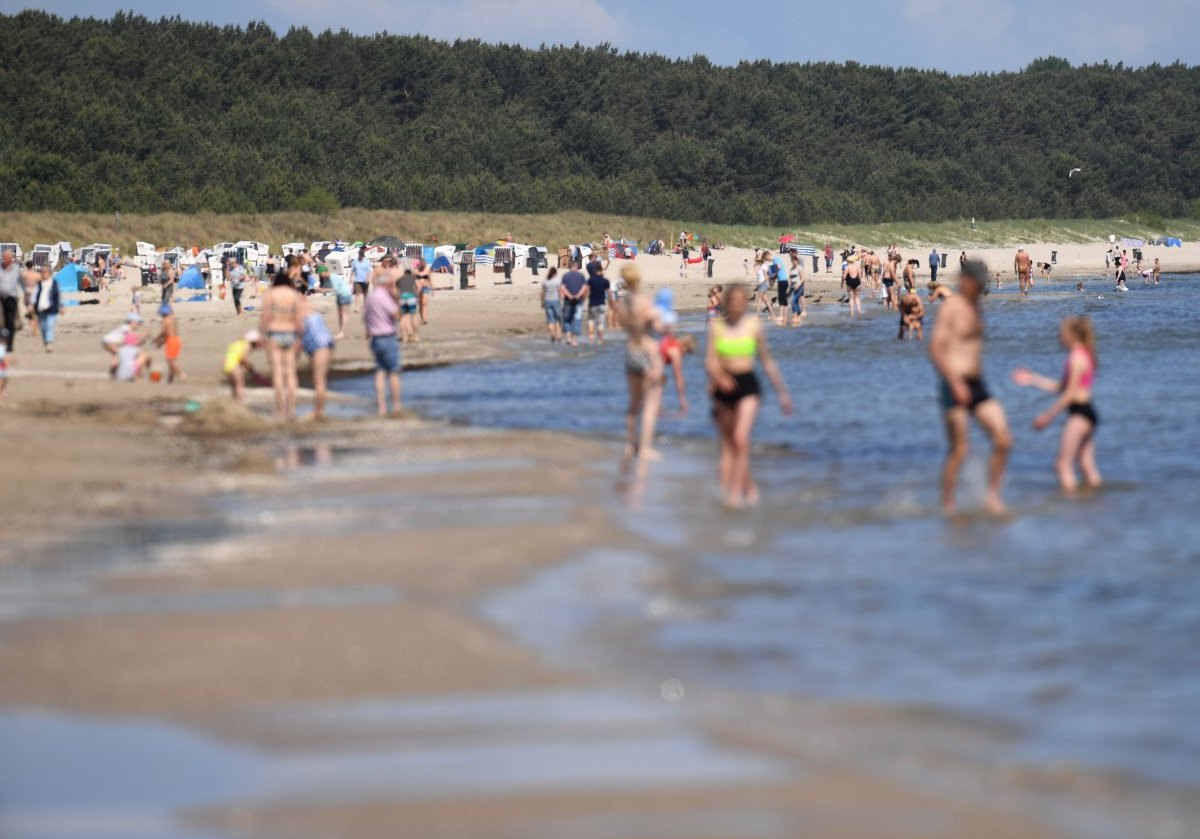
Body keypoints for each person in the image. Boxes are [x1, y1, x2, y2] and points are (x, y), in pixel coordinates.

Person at [928, 260, 1012, 515]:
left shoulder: (976, 305)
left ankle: (992, 498)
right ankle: (948, 505)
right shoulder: (951, 306)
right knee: (960, 450)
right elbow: (935, 348)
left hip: (977, 384)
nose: (981, 287)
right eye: (977, 282)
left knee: (1003, 440)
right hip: (954, 383)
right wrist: (954, 382)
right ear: (965, 280)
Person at [707, 285, 792, 507]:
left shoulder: (753, 326)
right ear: (727, 302)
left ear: (745, 302)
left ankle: (735, 495)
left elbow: (766, 360)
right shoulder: (717, 326)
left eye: (741, 300)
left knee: (740, 439)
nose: (737, 303)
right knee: (729, 443)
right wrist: (718, 377)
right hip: (723, 386)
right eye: (733, 300)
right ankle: (745, 487)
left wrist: (782, 393)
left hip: (747, 385)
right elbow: (710, 360)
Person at [1012, 316, 1102, 493]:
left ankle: (1072, 510)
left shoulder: (1076, 357)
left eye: (1062, 333)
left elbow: (1070, 394)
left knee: (1062, 465)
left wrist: (1047, 416)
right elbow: (1062, 388)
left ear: (1072, 335)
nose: (1059, 337)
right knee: (1086, 466)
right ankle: (1096, 506)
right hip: (1088, 413)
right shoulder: (1084, 354)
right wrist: (1033, 379)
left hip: (1080, 414)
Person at [618, 266, 665, 464]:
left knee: (634, 402)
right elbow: (658, 327)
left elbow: (624, 325)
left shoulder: (623, 304)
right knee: (650, 404)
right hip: (648, 351)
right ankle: (645, 448)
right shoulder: (644, 301)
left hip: (631, 351)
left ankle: (630, 446)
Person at [259, 270, 305, 418]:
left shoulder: (270, 294)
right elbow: (299, 319)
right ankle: (291, 410)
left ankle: (280, 409)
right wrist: (300, 337)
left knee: (278, 372)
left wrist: (261, 334)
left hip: (274, 332)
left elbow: (266, 316)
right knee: (291, 373)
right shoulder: (295, 295)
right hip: (290, 333)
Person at [364, 266, 402, 416]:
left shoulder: (371, 297)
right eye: (392, 284)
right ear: (387, 284)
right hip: (387, 336)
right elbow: (394, 314)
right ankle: (397, 406)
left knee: (379, 371)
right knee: (393, 372)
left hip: (375, 338)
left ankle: (381, 407)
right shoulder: (383, 296)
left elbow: (366, 317)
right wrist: (395, 298)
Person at [301, 309, 335, 420]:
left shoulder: (301, 314)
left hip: (320, 345)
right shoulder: (309, 311)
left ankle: (318, 412)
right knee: (319, 379)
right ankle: (319, 410)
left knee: (319, 380)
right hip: (324, 343)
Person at [224, 330, 264, 403]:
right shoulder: (247, 345)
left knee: (234, 385)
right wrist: (249, 366)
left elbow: (236, 356)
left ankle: (234, 401)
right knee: (240, 384)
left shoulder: (239, 343)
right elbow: (243, 358)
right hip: (233, 366)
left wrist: (244, 367)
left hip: (226, 365)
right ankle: (240, 401)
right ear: (254, 340)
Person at [31, 266, 61, 353]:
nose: (45, 274)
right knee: (43, 328)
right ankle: (46, 342)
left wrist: (61, 306)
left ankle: (49, 344)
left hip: (52, 309)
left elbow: (58, 295)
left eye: (46, 272)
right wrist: (31, 306)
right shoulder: (39, 284)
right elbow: (34, 296)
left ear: (50, 273)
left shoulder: (54, 283)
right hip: (41, 309)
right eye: (43, 272)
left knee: (50, 326)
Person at [154, 304, 186, 383]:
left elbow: (164, 333)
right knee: (172, 361)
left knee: (170, 361)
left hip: (171, 340)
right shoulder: (173, 319)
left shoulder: (165, 320)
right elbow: (172, 331)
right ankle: (170, 379)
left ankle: (182, 375)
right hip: (177, 339)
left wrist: (157, 340)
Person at [560, 262, 587, 348]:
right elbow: (584, 287)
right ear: (577, 267)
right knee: (577, 319)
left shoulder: (566, 275)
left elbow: (562, 287)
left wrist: (570, 296)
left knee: (567, 319)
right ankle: (575, 339)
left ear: (570, 267)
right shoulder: (581, 275)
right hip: (578, 300)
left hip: (568, 300)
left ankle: (568, 338)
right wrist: (578, 295)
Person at [586, 261, 612, 344]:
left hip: (592, 303)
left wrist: (584, 298)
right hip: (601, 303)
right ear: (601, 271)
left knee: (591, 320)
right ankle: (600, 340)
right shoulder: (605, 281)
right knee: (600, 323)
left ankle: (591, 338)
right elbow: (609, 293)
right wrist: (611, 302)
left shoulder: (590, 280)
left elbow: (586, 291)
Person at [0, 251, 21, 353]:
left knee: (10, 321)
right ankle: (2, 342)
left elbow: (22, 283)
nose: (5, 260)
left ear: (11, 259)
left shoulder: (16, 270)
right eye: (4, 258)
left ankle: (10, 343)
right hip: (1, 298)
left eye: (7, 258)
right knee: (1, 321)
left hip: (12, 298)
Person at [397, 269, 420, 343]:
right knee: (413, 316)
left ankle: (404, 338)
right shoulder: (413, 278)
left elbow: (397, 289)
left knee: (403, 318)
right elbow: (419, 287)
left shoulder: (400, 279)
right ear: (410, 273)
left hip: (402, 297)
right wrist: (416, 295)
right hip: (411, 297)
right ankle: (416, 336)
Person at [330, 263, 352, 340]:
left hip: (345, 294)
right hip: (341, 295)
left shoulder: (332, 276)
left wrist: (319, 290)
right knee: (341, 314)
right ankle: (342, 331)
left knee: (343, 314)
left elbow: (334, 289)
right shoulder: (332, 276)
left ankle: (342, 332)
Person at [540, 267, 563, 343]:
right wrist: (561, 299)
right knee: (558, 319)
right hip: (556, 301)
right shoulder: (557, 280)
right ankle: (558, 336)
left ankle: (552, 334)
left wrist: (542, 302)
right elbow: (560, 291)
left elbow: (542, 293)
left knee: (550, 320)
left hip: (547, 301)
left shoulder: (545, 281)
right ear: (555, 273)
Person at [787, 252, 806, 326]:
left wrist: (799, 284)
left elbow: (803, 278)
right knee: (792, 301)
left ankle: (797, 315)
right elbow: (790, 278)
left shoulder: (799, 268)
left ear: (796, 261)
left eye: (794, 261)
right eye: (792, 261)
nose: (793, 262)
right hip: (793, 287)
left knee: (794, 300)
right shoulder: (791, 269)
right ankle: (797, 315)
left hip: (799, 287)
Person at [350, 248, 372, 313]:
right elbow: (352, 271)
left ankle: (366, 307)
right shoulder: (355, 262)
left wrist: (368, 278)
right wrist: (350, 278)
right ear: (358, 254)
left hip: (365, 280)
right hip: (357, 280)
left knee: (365, 294)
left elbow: (369, 271)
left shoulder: (367, 261)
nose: (361, 256)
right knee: (358, 294)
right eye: (360, 255)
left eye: (362, 255)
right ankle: (357, 307)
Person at [772, 251, 790, 325]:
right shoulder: (777, 259)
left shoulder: (775, 260)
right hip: (784, 280)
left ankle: (781, 316)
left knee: (781, 298)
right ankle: (784, 316)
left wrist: (773, 276)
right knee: (783, 298)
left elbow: (778, 268)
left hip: (782, 281)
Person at [415, 259, 433, 325]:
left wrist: (432, 288)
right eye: (421, 263)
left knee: (424, 304)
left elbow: (429, 279)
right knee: (421, 305)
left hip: (425, 288)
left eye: (423, 263)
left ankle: (425, 319)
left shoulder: (427, 270)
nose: (422, 264)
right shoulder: (416, 271)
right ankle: (422, 318)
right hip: (418, 289)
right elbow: (413, 281)